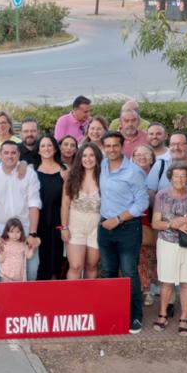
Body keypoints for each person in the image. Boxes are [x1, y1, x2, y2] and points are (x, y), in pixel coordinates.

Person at [98, 131, 149, 334]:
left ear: (122, 146)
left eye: (115, 145)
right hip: (105, 228)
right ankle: (111, 311)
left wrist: (119, 219)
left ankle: (135, 316)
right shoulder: (102, 166)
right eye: (107, 146)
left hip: (127, 228)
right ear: (104, 148)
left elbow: (142, 202)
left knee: (129, 273)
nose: (111, 149)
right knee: (108, 272)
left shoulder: (134, 172)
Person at [151, 164, 187, 336]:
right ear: (170, 178)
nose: (179, 179)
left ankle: (184, 318)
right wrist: (171, 224)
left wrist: (183, 222)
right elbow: (156, 223)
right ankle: (162, 315)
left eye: (183, 176)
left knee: (186, 282)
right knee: (167, 282)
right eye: (176, 176)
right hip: (167, 243)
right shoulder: (161, 195)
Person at [0, 141, 41, 282]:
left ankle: (25, 303)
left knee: (31, 271)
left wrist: (33, 234)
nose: (10, 156)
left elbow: (34, 204)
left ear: (19, 155)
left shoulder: (29, 174)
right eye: (6, 153)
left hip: (24, 230)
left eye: (13, 153)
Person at [61, 143, 102, 280]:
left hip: (96, 228)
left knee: (91, 265)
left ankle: (89, 300)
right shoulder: (71, 178)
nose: (88, 159)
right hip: (75, 227)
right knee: (76, 266)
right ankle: (72, 300)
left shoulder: (104, 178)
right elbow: (65, 205)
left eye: (91, 155)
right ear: (79, 158)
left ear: (97, 157)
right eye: (84, 155)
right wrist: (64, 227)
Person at [34, 135, 66, 280]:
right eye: (43, 146)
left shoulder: (64, 171)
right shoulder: (32, 170)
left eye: (49, 145)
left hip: (58, 221)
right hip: (37, 221)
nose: (46, 149)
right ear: (38, 150)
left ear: (54, 149)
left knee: (57, 257)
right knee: (40, 259)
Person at [132, 145, 158, 306]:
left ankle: (148, 289)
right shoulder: (128, 174)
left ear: (152, 158)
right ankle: (133, 289)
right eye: (138, 154)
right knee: (133, 258)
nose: (142, 157)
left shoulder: (159, 174)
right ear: (132, 158)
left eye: (146, 154)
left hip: (153, 221)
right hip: (133, 221)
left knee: (148, 256)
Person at [0, 218, 34, 282]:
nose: (15, 235)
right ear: (7, 232)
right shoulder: (4, 243)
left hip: (19, 275)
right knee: (6, 291)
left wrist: (32, 248)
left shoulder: (23, 243)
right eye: (11, 232)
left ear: (21, 232)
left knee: (19, 291)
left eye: (17, 232)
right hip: (6, 275)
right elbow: (1, 259)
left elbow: (28, 256)